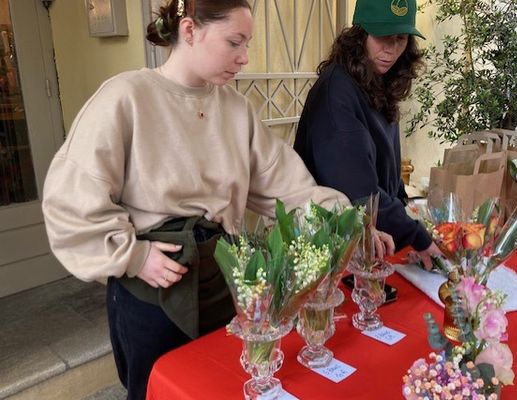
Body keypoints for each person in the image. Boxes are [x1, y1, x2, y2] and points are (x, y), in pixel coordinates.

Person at [42, 1, 393, 399]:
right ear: (190, 31)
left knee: (221, 384)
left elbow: (291, 188)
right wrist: (134, 257)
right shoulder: (126, 96)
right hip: (154, 283)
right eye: (234, 42)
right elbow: (69, 200)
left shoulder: (236, 109)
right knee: (158, 390)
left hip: (224, 278)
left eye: (247, 44)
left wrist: (352, 226)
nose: (244, 58)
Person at [294, 0, 441, 268]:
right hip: (329, 246)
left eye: (400, 38)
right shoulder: (336, 92)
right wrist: (416, 236)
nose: (391, 49)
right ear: (360, 34)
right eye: (382, 36)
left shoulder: (378, 81)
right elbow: (358, 191)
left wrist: (406, 215)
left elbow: (390, 175)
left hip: (370, 237)